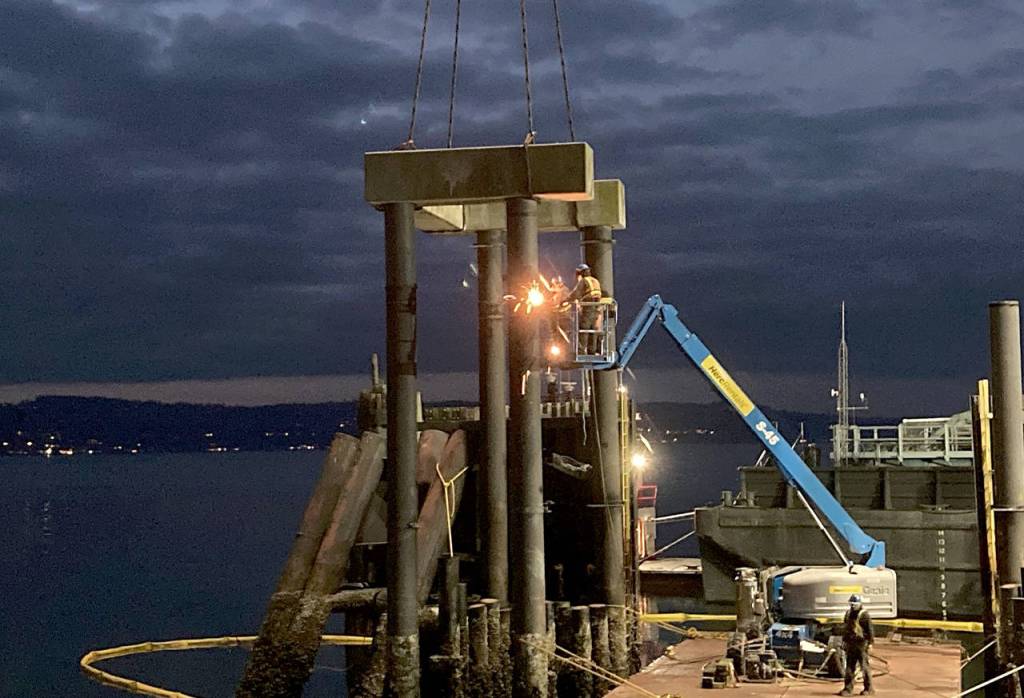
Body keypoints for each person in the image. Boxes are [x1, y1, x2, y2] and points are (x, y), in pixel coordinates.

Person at [562, 263, 603, 354]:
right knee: (593, 330)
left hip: (588, 307)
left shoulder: (584, 281)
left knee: (584, 328)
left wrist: (564, 301)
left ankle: (580, 351)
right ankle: (592, 351)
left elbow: (575, 294)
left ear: (581, 273)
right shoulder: (595, 281)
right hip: (597, 308)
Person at [839, 594, 874, 696]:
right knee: (849, 667)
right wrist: (844, 641)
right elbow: (846, 629)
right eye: (851, 604)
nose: (853, 606)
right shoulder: (848, 614)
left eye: (855, 604)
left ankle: (868, 688)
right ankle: (848, 689)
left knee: (864, 667)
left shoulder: (864, 615)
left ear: (860, 604)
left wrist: (870, 643)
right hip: (851, 644)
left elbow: (870, 630)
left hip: (861, 644)